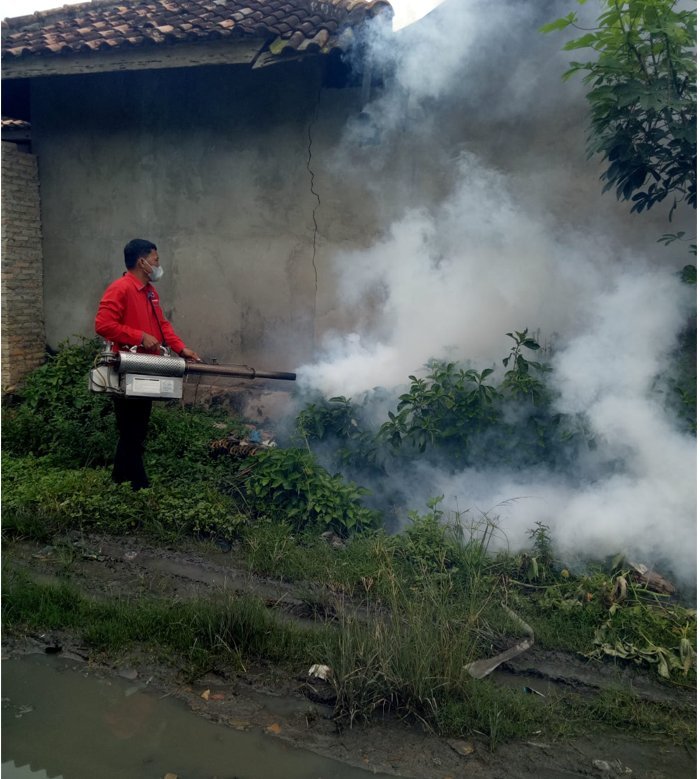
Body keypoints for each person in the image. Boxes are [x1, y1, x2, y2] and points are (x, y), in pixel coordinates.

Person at [95, 238, 201, 490]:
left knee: (137, 427)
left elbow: (162, 325)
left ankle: (120, 480)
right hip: (126, 368)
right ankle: (139, 485)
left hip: (146, 367)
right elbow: (103, 325)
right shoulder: (120, 288)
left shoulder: (150, 292)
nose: (158, 265)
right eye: (156, 260)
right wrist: (139, 336)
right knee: (131, 428)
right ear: (142, 262)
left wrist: (181, 348)